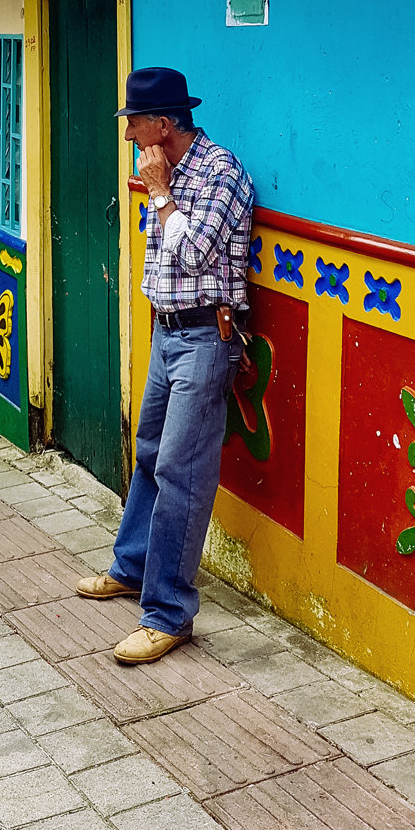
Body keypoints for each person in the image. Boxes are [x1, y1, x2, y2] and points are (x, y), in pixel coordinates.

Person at [76, 67, 254, 665]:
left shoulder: (220, 172)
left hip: (208, 338)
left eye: (133, 123)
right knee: (150, 454)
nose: (128, 134)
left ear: (162, 125)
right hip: (168, 334)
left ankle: (168, 615)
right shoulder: (169, 171)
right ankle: (131, 568)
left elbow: (195, 249)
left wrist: (159, 193)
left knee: (182, 471)